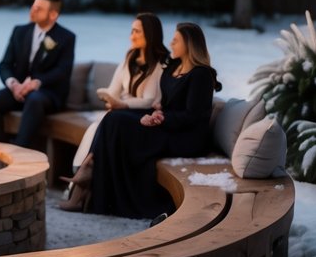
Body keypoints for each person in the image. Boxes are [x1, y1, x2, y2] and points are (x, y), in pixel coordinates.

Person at [63, 21, 220, 219]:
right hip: (167, 123)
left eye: (176, 41)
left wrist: (161, 117)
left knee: (120, 125)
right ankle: (91, 171)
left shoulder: (201, 75)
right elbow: (170, 102)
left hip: (185, 137)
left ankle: (91, 181)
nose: (171, 44)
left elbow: (193, 116)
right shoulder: (175, 67)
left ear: (189, 45)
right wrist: (159, 109)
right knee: (113, 118)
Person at [58, 13, 169, 212]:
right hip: (121, 114)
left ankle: (80, 186)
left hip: (142, 117)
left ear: (149, 35)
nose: (131, 36)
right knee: (96, 127)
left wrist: (123, 105)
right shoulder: (130, 57)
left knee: (109, 122)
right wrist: (108, 98)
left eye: (136, 31)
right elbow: (113, 90)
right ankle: (82, 179)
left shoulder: (161, 63)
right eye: (131, 31)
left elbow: (150, 100)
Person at [0, 0, 76, 151]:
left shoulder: (66, 37)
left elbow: (63, 71)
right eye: (33, 6)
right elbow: (5, 64)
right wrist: (13, 84)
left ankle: (19, 152)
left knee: (34, 100)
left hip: (47, 93)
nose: (33, 11)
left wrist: (37, 82)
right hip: (18, 90)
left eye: (39, 9)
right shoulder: (20, 31)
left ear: (53, 15)